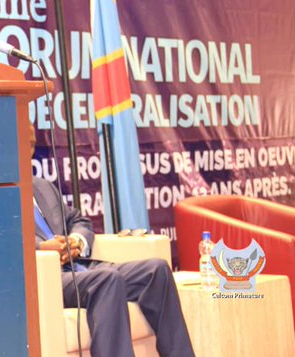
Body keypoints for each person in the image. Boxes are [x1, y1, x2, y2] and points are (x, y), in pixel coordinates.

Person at [31, 130, 194, 357]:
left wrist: (76, 241)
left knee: (157, 271)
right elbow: (0, 246)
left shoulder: (42, 187)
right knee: (107, 279)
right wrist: (41, 249)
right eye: (23, 143)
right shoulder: (0, 195)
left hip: (80, 268)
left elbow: (78, 221)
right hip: (45, 277)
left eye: (32, 143)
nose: (29, 150)